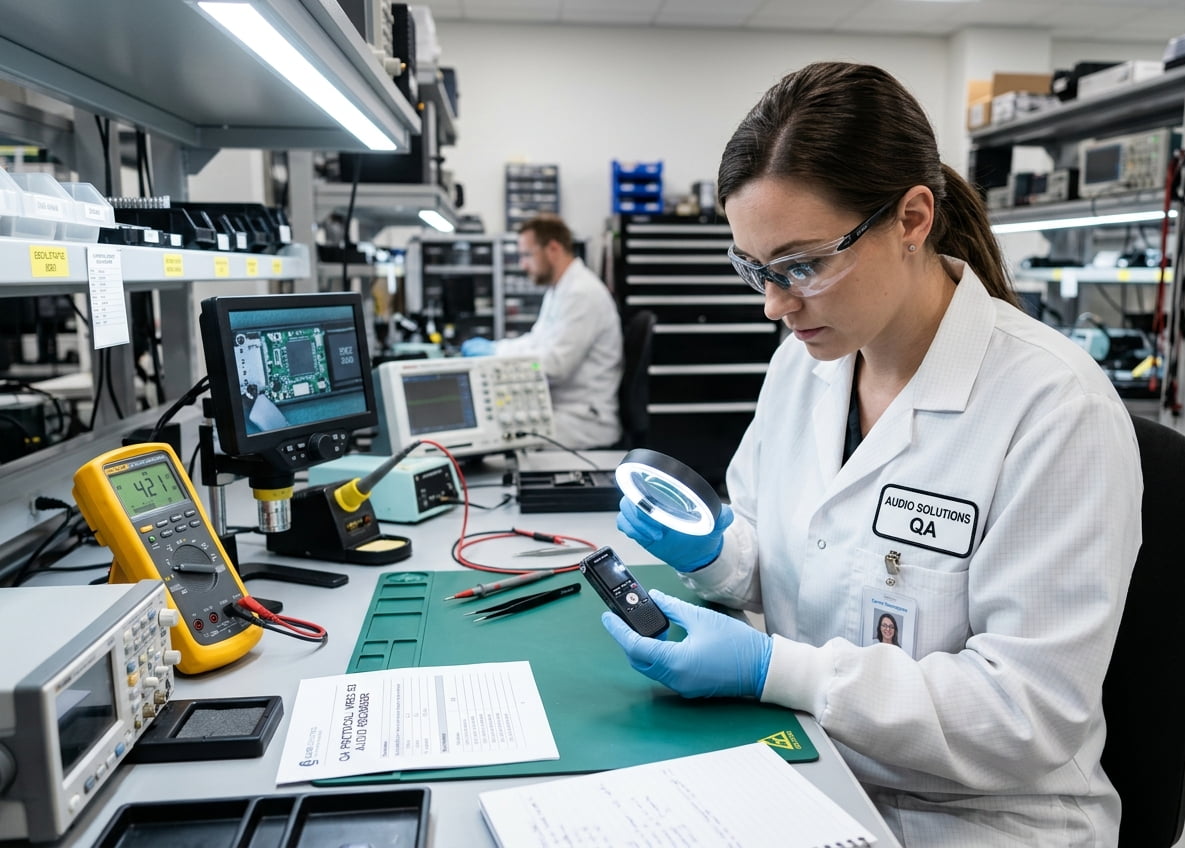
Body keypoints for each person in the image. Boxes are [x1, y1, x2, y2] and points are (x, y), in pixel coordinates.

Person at [602, 62, 1143, 848]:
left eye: (802, 265)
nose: (775, 305)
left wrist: (771, 670)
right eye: (754, 268)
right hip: (811, 769)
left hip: (976, 819)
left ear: (913, 218)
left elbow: (1027, 712)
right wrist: (720, 553)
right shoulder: (805, 363)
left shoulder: (1055, 407)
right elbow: (797, 561)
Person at [461, 215, 622, 449]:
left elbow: (555, 366)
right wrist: (495, 349)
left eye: (527, 255)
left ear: (553, 248)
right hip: (563, 409)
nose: (522, 264)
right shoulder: (560, 290)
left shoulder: (582, 293)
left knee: (494, 439)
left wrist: (496, 357)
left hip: (583, 421)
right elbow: (536, 342)